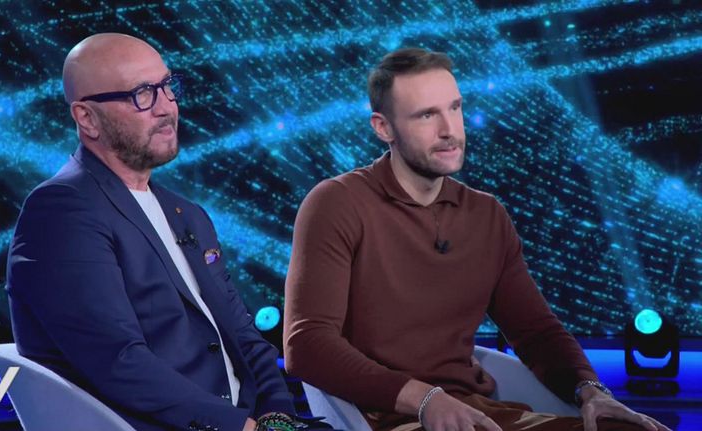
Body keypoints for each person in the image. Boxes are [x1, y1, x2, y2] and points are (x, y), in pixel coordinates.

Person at [283, 48, 670, 431]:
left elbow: (536, 332)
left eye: (455, 108)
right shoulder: (337, 203)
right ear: (383, 128)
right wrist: (425, 399)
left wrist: (590, 390)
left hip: (482, 412)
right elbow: (306, 344)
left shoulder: (486, 214)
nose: (449, 130)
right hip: (388, 415)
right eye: (426, 115)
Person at [7, 33, 324, 431]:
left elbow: (243, 336)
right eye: (141, 94)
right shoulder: (62, 210)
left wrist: (279, 421)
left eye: (167, 86)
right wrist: (246, 428)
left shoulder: (187, 214)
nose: (166, 106)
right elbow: (119, 362)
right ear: (86, 118)